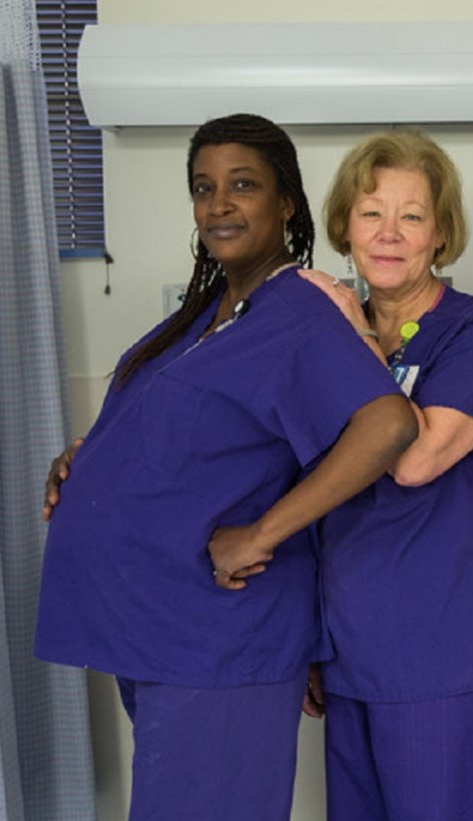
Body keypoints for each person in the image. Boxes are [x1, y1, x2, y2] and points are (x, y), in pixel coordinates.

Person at [34, 114, 415, 821]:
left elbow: (388, 423)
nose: (219, 204)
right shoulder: (205, 313)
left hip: (220, 635)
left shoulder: (298, 308)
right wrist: (86, 462)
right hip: (156, 628)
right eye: (204, 188)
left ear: (286, 203)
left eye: (243, 185)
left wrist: (264, 532)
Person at [296, 128, 473, 821]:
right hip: (350, 652)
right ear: (345, 226)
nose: (389, 233)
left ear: (441, 234)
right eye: (371, 212)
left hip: (446, 655)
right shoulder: (322, 336)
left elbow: (414, 456)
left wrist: (355, 332)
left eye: (412, 215)